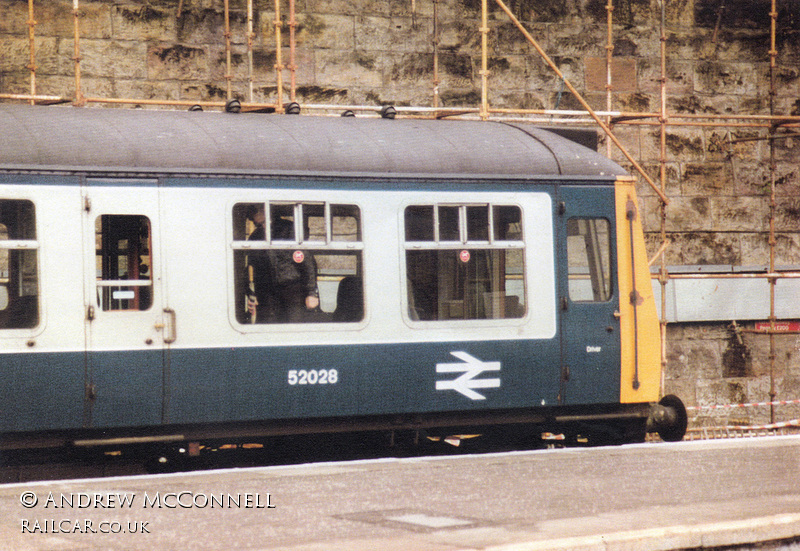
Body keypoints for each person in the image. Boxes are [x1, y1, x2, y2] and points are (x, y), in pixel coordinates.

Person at [244, 205, 320, 323]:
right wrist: (251, 295)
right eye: (257, 224)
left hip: (293, 288)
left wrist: (311, 293)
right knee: (268, 325)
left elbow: (307, 261)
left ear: (265, 210)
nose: (261, 226)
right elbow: (250, 269)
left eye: (254, 212)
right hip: (268, 292)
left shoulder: (289, 229)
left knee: (295, 325)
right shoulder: (255, 237)